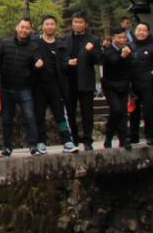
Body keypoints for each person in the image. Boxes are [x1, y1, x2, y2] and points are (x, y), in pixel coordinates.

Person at [32, 15, 79, 154]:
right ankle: (40, 142)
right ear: (42, 26)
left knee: (60, 114)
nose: (50, 26)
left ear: (56, 26)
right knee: (39, 114)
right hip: (39, 84)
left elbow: (64, 61)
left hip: (56, 84)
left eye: (52, 24)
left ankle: (67, 141)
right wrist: (36, 65)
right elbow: (30, 59)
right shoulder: (35, 42)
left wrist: (68, 63)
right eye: (47, 24)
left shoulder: (61, 43)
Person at [0, 18, 40, 156]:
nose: (24, 30)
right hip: (6, 88)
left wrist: (37, 66)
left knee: (29, 117)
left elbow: (35, 68)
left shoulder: (33, 47)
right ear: (17, 27)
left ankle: (33, 145)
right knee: (6, 119)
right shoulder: (5, 43)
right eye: (22, 27)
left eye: (27, 28)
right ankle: (7, 147)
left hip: (24, 88)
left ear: (30, 30)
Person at [62, 12, 101, 151]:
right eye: (75, 22)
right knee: (70, 112)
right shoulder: (65, 39)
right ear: (72, 23)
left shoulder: (93, 40)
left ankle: (88, 140)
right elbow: (61, 59)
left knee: (87, 113)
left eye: (80, 22)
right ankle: (74, 138)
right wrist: (68, 62)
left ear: (86, 24)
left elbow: (99, 59)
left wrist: (91, 51)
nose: (77, 25)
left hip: (86, 81)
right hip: (69, 82)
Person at [128, 22, 153, 146]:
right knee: (133, 112)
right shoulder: (130, 46)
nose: (141, 32)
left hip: (148, 85)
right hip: (133, 85)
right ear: (135, 31)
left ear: (148, 33)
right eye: (139, 30)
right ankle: (133, 137)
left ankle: (150, 136)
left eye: (144, 30)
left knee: (148, 111)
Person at [100, 29, 134, 150]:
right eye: (119, 37)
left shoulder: (128, 50)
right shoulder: (108, 50)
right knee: (116, 109)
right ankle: (109, 136)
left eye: (124, 38)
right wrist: (122, 57)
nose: (121, 40)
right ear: (114, 38)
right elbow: (111, 63)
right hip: (110, 85)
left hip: (124, 85)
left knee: (123, 112)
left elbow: (130, 67)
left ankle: (124, 139)